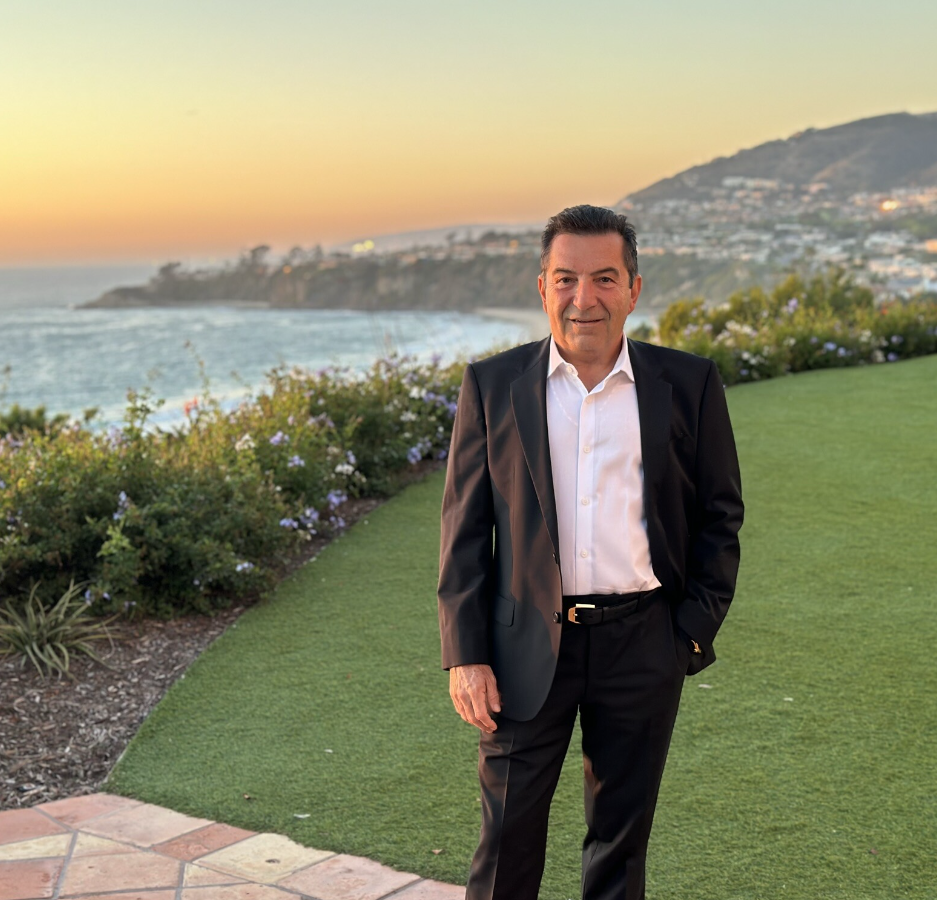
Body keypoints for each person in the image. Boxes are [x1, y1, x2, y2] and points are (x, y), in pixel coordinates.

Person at [437, 204, 744, 900]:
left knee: (619, 843)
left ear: (633, 289)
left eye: (604, 278)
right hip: (521, 647)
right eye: (566, 279)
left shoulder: (688, 384)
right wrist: (465, 654)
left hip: (643, 643)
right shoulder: (492, 385)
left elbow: (720, 515)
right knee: (505, 840)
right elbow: (463, 531)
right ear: (542, 287)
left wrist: (689, 635)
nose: (585, 298)